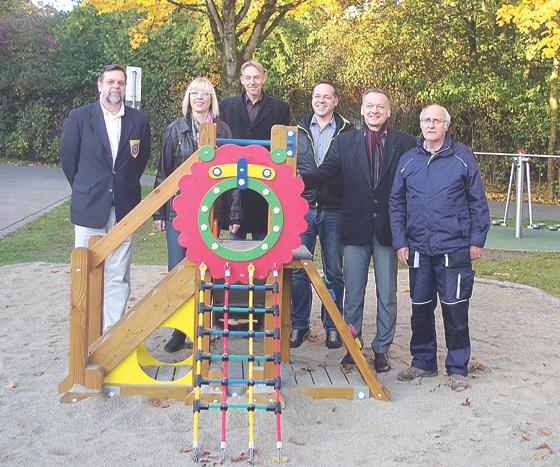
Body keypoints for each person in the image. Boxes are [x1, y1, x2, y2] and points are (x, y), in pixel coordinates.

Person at [301, 88, 415, 372]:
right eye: (370, 106)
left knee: (387, 293)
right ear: (362, 110)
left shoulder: (405, 143)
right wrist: (292, 180)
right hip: (354, 228)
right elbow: (323, 174)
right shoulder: (344, 143)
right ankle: (353, 346)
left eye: (380, 107)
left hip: (388, 229)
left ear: (389, 111)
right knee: (352, 293)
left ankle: (382, 349)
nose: (375, 111)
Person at [389, 104, 490, 392]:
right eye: (426, 120)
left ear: (446, 125)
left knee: (455, 309)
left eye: (437, 120)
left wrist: (476, 239)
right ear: (420, 125)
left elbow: (477, 201)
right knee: (420, 308)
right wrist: (401, 242)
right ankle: (423, 361)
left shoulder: (462, 158)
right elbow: (396, 202)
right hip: (418, 248)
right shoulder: (408, 160)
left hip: (454, 249)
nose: (431, 125)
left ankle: (457, 367)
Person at [59, 64, 151, 332]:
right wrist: (85, 187)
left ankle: (111, 333)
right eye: (111, 82)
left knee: (118, 273)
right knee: (86, 270)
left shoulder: (138, 121)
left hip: (124, 207)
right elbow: (68, 160)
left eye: (121, 83)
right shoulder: (79, 117)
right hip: (89, 207)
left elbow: (139, 161)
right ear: (99, 85)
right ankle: (87, 330)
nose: (116, 87)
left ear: (125, 87)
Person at [153, 77, 240, 352]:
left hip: (212, 211)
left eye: (205, 93)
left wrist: (234, 214)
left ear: (211, 98)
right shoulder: (174, 130)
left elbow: (234, 172)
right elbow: (163, 173)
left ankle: (207, 325)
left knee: (209, 269)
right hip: (179, 210)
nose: (199, 98)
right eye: (195, 93)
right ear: (188, 98)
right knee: (177, 268)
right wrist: (159, 212)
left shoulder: (223, 129)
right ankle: (179, 331)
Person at [290, 80, 353, 349]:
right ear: (311, 99)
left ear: (336, 101)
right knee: (297, 272)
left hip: (334, 209)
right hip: (302, 208)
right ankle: (298, 325)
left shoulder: (348, 132)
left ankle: (332, 326)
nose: (321, 100)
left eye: (327, 97)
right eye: (317, 96)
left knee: (334, 271)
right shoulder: (297, 130)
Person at [219, 60, 290, 240]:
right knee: (235, 249)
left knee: (264, 245)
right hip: (236, 185)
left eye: (257, 77)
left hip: (265, 185)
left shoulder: (280, 108)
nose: (253, 82)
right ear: (242, 80)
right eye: (248, 77)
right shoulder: (226, 107)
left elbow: (281, 148)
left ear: (263, 79)